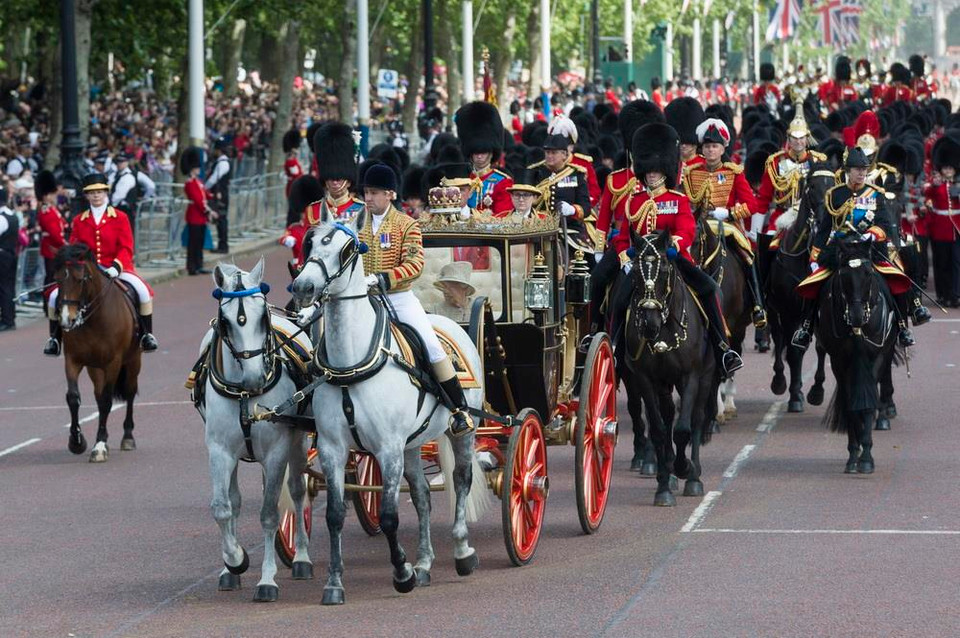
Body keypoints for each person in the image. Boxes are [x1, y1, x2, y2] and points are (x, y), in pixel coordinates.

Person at [609, 122, 743, 376]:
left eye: (656, 172)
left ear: (665, 173)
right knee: (619, 299)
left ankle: (722, 349)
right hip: (642, 263)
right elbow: (624, 235)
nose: (651, 175)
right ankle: (615, 349)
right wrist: (625, 255)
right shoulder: (634, 201)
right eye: (648, 172)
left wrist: (675, 245)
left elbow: (686, 229)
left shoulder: (678, 199)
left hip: (673, 259)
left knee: (709, 289)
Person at [355, 161, 475, 436]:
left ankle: (459, 410)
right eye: (366, 192)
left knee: (431, 346)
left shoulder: (406, 224)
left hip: (397, 297)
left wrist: (384, 278)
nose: (368, 198)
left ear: (390, 195)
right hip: (363, 299)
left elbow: (414, 264)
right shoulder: (356, 222)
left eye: (374, 192)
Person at [793, 147, 929, 349]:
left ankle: (902, 326)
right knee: (814, 282)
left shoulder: (876, 195)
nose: (862, 173)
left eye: (864, 169)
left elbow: (884, 223)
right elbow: (824, 230)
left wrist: (871, 234)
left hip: (870, 247)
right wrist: (814, 259)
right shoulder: (834, 194)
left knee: (896, 277)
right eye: (857, 169)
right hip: (841, 248)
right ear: (848, 171)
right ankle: (806, 326)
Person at [44, 173, 158, 355]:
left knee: (143, 292)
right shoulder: (79, 220)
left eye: (99, 191)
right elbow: (74, 250)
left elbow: (127, 247)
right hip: (87, 271)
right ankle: (54, 339)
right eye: (92, 192)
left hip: (117, 268)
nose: (96, 195)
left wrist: (116, 266)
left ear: (106, 193)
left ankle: (146, 335)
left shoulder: (120, 217)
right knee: (53, 296)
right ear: (87, 195)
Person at [682, 117, 767, 328]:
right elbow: (684, 202)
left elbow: (752, 205)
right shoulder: (692, 173)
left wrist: (728, 213)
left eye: (715, 146)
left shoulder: (733, 173)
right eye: (708, 146)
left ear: (722, 149)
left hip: (727, 226)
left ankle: (757, 304)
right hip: (698, 225)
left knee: (747, 256)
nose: (711, 150)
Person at [591, 99, 665, 331]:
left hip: (656, 244)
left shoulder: (659, 179)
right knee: (597, 279)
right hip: (623, 245)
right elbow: (603, 219)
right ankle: (595, 328)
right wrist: (598, 250)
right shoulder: (616, 179)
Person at [755, 110, 828, 249]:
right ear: (788, 138)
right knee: (766, 251)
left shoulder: (818, 161)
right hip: (781, 217)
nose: (798, 142)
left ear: (807, 138)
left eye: (801, 138)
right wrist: (755, 230)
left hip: (811, 217)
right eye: (794, 138)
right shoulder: (776, 162)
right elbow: (763, 198)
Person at [530, 130, 594, 252]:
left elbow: (586, 207)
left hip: (569, 230)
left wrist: (572, 210)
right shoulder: (536, 172)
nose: (549, 156)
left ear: (564, 154)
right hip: (539, 229)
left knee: (588, 259)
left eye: (553, 153)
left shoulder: (576, 174)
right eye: (547, 152)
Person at [457, 101, 514, 216]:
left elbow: (503, 216)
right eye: (475, 152)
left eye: (483, 152)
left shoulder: (503, 182)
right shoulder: (461, 180)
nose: (479, 156)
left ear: (492, 153)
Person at [924, 134, 960, 307]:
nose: (947, 171)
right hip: (940, 228)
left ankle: (955, 293)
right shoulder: (935, 184)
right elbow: (926, 197)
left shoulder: (958, 184)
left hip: (956, 228)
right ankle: (943, 294)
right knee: (941, 263)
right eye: (945, 168)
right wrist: (932, 185)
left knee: (956, 262)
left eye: (950, 169)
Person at [307, 122, 363, 224]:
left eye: (339, 178)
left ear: (349, 181)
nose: (335, 182)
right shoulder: (313, 210)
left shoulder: (362, 210)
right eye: (330, 178)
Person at [182, 147, 214, 276]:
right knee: (193, 243)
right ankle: (192, 266)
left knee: (199, 242)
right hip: (195, 216)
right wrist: (208, 211)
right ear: (192, 169)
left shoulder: (197, 182)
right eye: (196, 167)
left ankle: (199, 264)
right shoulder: (190, 183)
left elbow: (204, 195)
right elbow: (197, 200)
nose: (198, 169)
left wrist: (212, 198)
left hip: (200, 217)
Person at [280, 175, 323, 271]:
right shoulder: (294, 228)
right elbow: (283, 238)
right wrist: (287, 240)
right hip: (298, 268)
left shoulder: (319, 226)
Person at [34, 171, 65, 293]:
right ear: (47, 195)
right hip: (52, 249)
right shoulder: (47, 211)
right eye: (53, 194)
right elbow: (54, 234)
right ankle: (48, 305)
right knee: (52, 278)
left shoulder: (51, 209)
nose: (55, 196)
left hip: (53, 248)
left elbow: (61, 224)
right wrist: (65, 244)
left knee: (52, 277)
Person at [110, 152, 156, 226]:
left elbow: (151, 186)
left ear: (127, 162)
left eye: (122, 162)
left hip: (127, 209)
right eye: (118, 162)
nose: (119, 164)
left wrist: (144, 198)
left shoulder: (135, 174)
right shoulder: (114, 174)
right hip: (116, 209)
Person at [205, 137, 232, 253]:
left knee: (221, 219)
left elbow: (213, 179)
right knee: (220, 219)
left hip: (221, 195)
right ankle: (222, 244)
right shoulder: (221, 162)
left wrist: (204, 188)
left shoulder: (222, 163)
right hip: (219, 194)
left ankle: (223, 245)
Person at [665, 97, 706, 170]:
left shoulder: (707, 165)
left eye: (688, 143)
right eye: (681, 142)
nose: (683, 145)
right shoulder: (667, 165)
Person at [0, 186, 18, 332]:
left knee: (4, 288)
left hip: (2, 256)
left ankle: (7, 319)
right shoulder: (11, 214)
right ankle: (9, 316)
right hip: (10, 254)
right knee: (8, 287)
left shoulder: (1, 218)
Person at [282, 129, 304, 226]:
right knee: (293, 211)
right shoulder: (291, 161)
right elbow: (296, 174)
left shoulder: (293, 160)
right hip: (293, 187)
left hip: (295, 186)